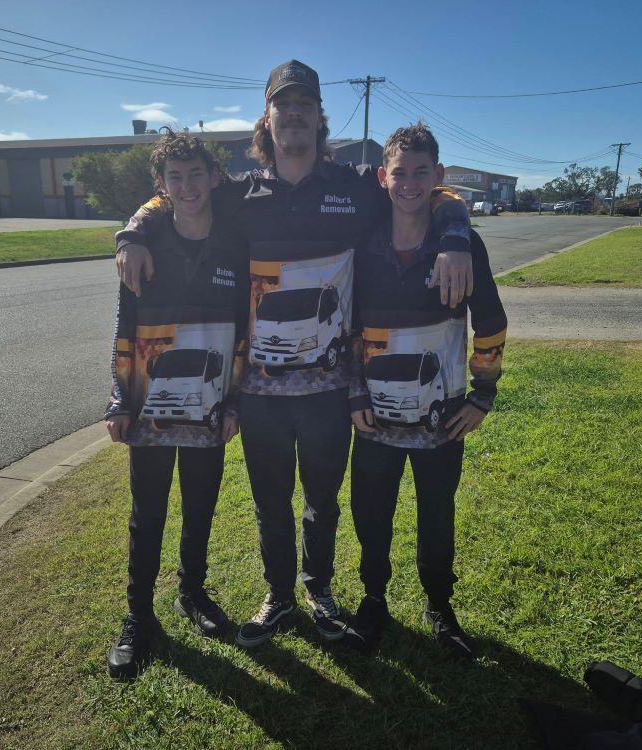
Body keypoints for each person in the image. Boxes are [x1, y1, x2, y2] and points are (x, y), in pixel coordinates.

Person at [114, 60, 475, 649]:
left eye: (305, 105)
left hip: (330, 394)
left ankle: (320, 593)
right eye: (285, 106)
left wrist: (456, 237)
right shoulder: (237, 195)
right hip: (260, 396)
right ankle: (279, 597)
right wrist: (131, 232)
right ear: (269, 117)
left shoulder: (356, 185)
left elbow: (434, 191)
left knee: (321, 504)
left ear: (318, 117)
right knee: (270, 505)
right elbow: (172, 198)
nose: (296, 115)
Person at [346, 123, 507, 660]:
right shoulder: (362, 243)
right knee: (371, 512)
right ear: (381, 177)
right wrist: (355, 394)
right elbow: (345, 327)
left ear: (438, 177)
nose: (409, 184)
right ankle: (373, 600)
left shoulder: (460, 246)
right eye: (400, 173)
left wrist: (482, 395)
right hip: (376, 417)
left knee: (436, 512)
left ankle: (440, 606)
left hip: (442, 418)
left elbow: (490, 320)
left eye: (421, 172)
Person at [105, 131, 248, 679]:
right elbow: (125, 327)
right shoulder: (143, 246)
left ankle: (192, 592)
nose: (187, 187)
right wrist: (120, 398)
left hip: (211, 408)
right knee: (148, 515)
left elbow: (244, 329)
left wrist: (234, 399)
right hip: (151, 408)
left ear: (213, 176)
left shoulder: (236, 243)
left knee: (200, 505)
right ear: (161, 187)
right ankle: (139, 619)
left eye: (196, 175)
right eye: (175, 178)